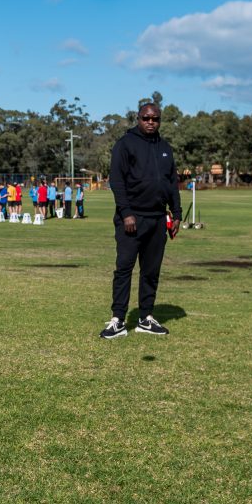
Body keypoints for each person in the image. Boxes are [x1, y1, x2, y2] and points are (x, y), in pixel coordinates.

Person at [101, 102, 181, 340]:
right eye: (146, 118)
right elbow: (117, 181)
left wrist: (176, 213)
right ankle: (118, 320)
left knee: (151, 271)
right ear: (138, 118)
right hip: (132, 218)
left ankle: (146, 317)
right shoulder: (125, 144)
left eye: (155, 119)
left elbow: (171, 183)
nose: (150, 122)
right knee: (124, 268)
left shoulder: (165, 148)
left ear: (160, 121)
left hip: (157, 219)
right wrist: (126, 213)